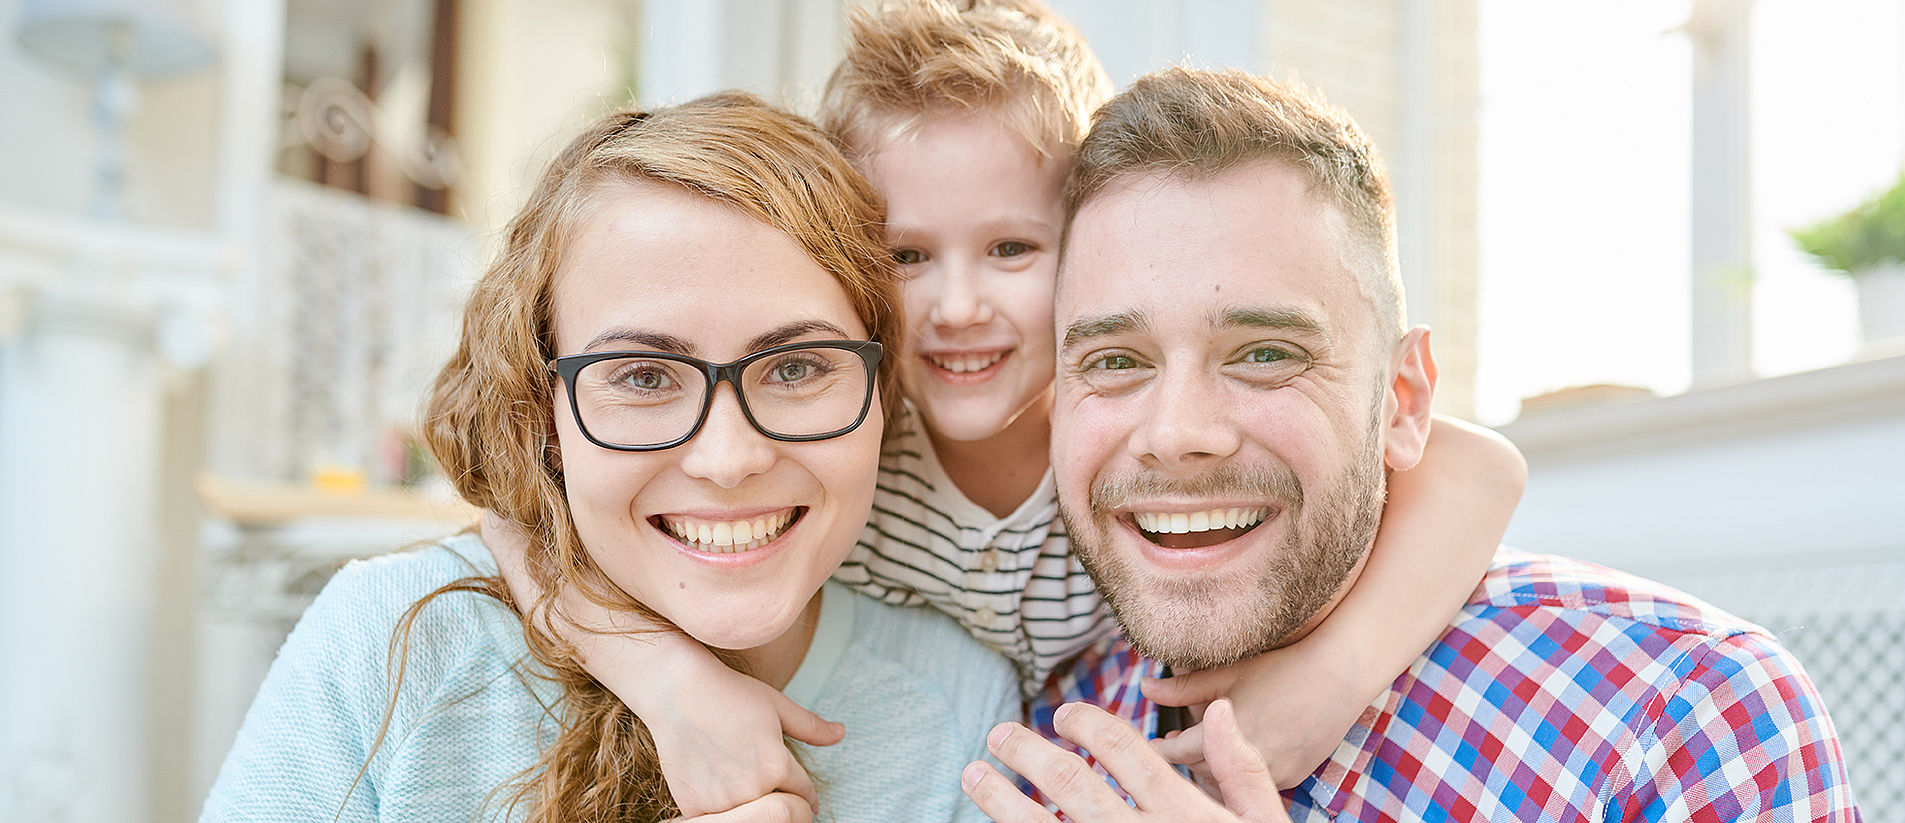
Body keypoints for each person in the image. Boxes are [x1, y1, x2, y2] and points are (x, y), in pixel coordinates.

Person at [486, 0, 1528, 816]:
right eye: (904, 256)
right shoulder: (836, 448)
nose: (958, 307)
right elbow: (509, 501)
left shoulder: (1125, 464)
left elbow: (1482, 469)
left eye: (1012, 249)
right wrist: (666, 681)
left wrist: (1331, 679)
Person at [959, 66, 1859, 821]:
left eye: (1265, 353)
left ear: (1403, 397)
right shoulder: (1047, 718)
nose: (1178, 432)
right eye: (1115, 360)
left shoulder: (1685, 717)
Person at [199, 93, 1019, 823]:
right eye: (644, 375)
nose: (728, 458)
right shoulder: (389, 644)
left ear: (882, 391)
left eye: (796, 368)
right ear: (547, 415)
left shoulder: (957, 701)